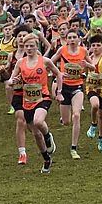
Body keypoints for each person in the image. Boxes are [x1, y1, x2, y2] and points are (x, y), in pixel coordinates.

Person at [8, 33, 61, 174]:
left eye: (32, 46)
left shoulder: (45, 61)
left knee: (38, 121)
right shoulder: (21, 62)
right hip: (27, 101)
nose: (29, 48)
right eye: (27, 46)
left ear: (37, 47)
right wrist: (12, 81)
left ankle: (48, 136)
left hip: (43, 97)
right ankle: (46, 159)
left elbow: (58, 74)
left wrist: (59, 92)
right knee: (36, 134)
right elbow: (11, 80)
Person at [49, 30, 87, 159]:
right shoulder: (62, 50)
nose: (72, 39)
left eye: (74, 37)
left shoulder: (83, 51)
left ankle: (74, 148)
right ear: (66, 39)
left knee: (76, 115)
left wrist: (86, 67)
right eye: (69, 37)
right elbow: (49, 63)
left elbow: (91, 65)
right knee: (66, 122)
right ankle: (63, 118)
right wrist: (58, 73)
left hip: (77, 87)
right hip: (64, 87)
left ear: (78, 39)